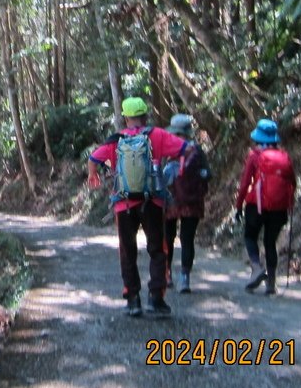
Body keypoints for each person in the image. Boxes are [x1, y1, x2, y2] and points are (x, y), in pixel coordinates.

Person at [87, 97, 188, 317]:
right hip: (152, 201)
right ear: (145, 115)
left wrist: (93, 175)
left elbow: (94, 158)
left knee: (127, 250)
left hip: (124, 204)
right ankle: (156, 299)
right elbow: (184, 149)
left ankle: (133, 300)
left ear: (125, 117)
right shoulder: (158, 135)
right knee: (157, 250)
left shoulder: (116, 139)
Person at [233, 118, 297, 295]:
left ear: (257, 138)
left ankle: (256, 268)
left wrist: (239, 206)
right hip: (279, 208)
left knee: (250, 236)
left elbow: (245, 183)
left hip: (257, 205)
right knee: (270, 243)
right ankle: (271, 283)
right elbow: (293, 181)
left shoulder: (255, 156)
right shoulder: (284, 156)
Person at [162, 114, 211, 294]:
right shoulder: (197, 151)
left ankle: (167, 275)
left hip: (171, 201)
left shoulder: (168, 151)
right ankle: (185, 279)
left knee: (168, 237)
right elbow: (208, 175)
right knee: (187, 240)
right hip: (192, 202)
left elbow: (159, 175)